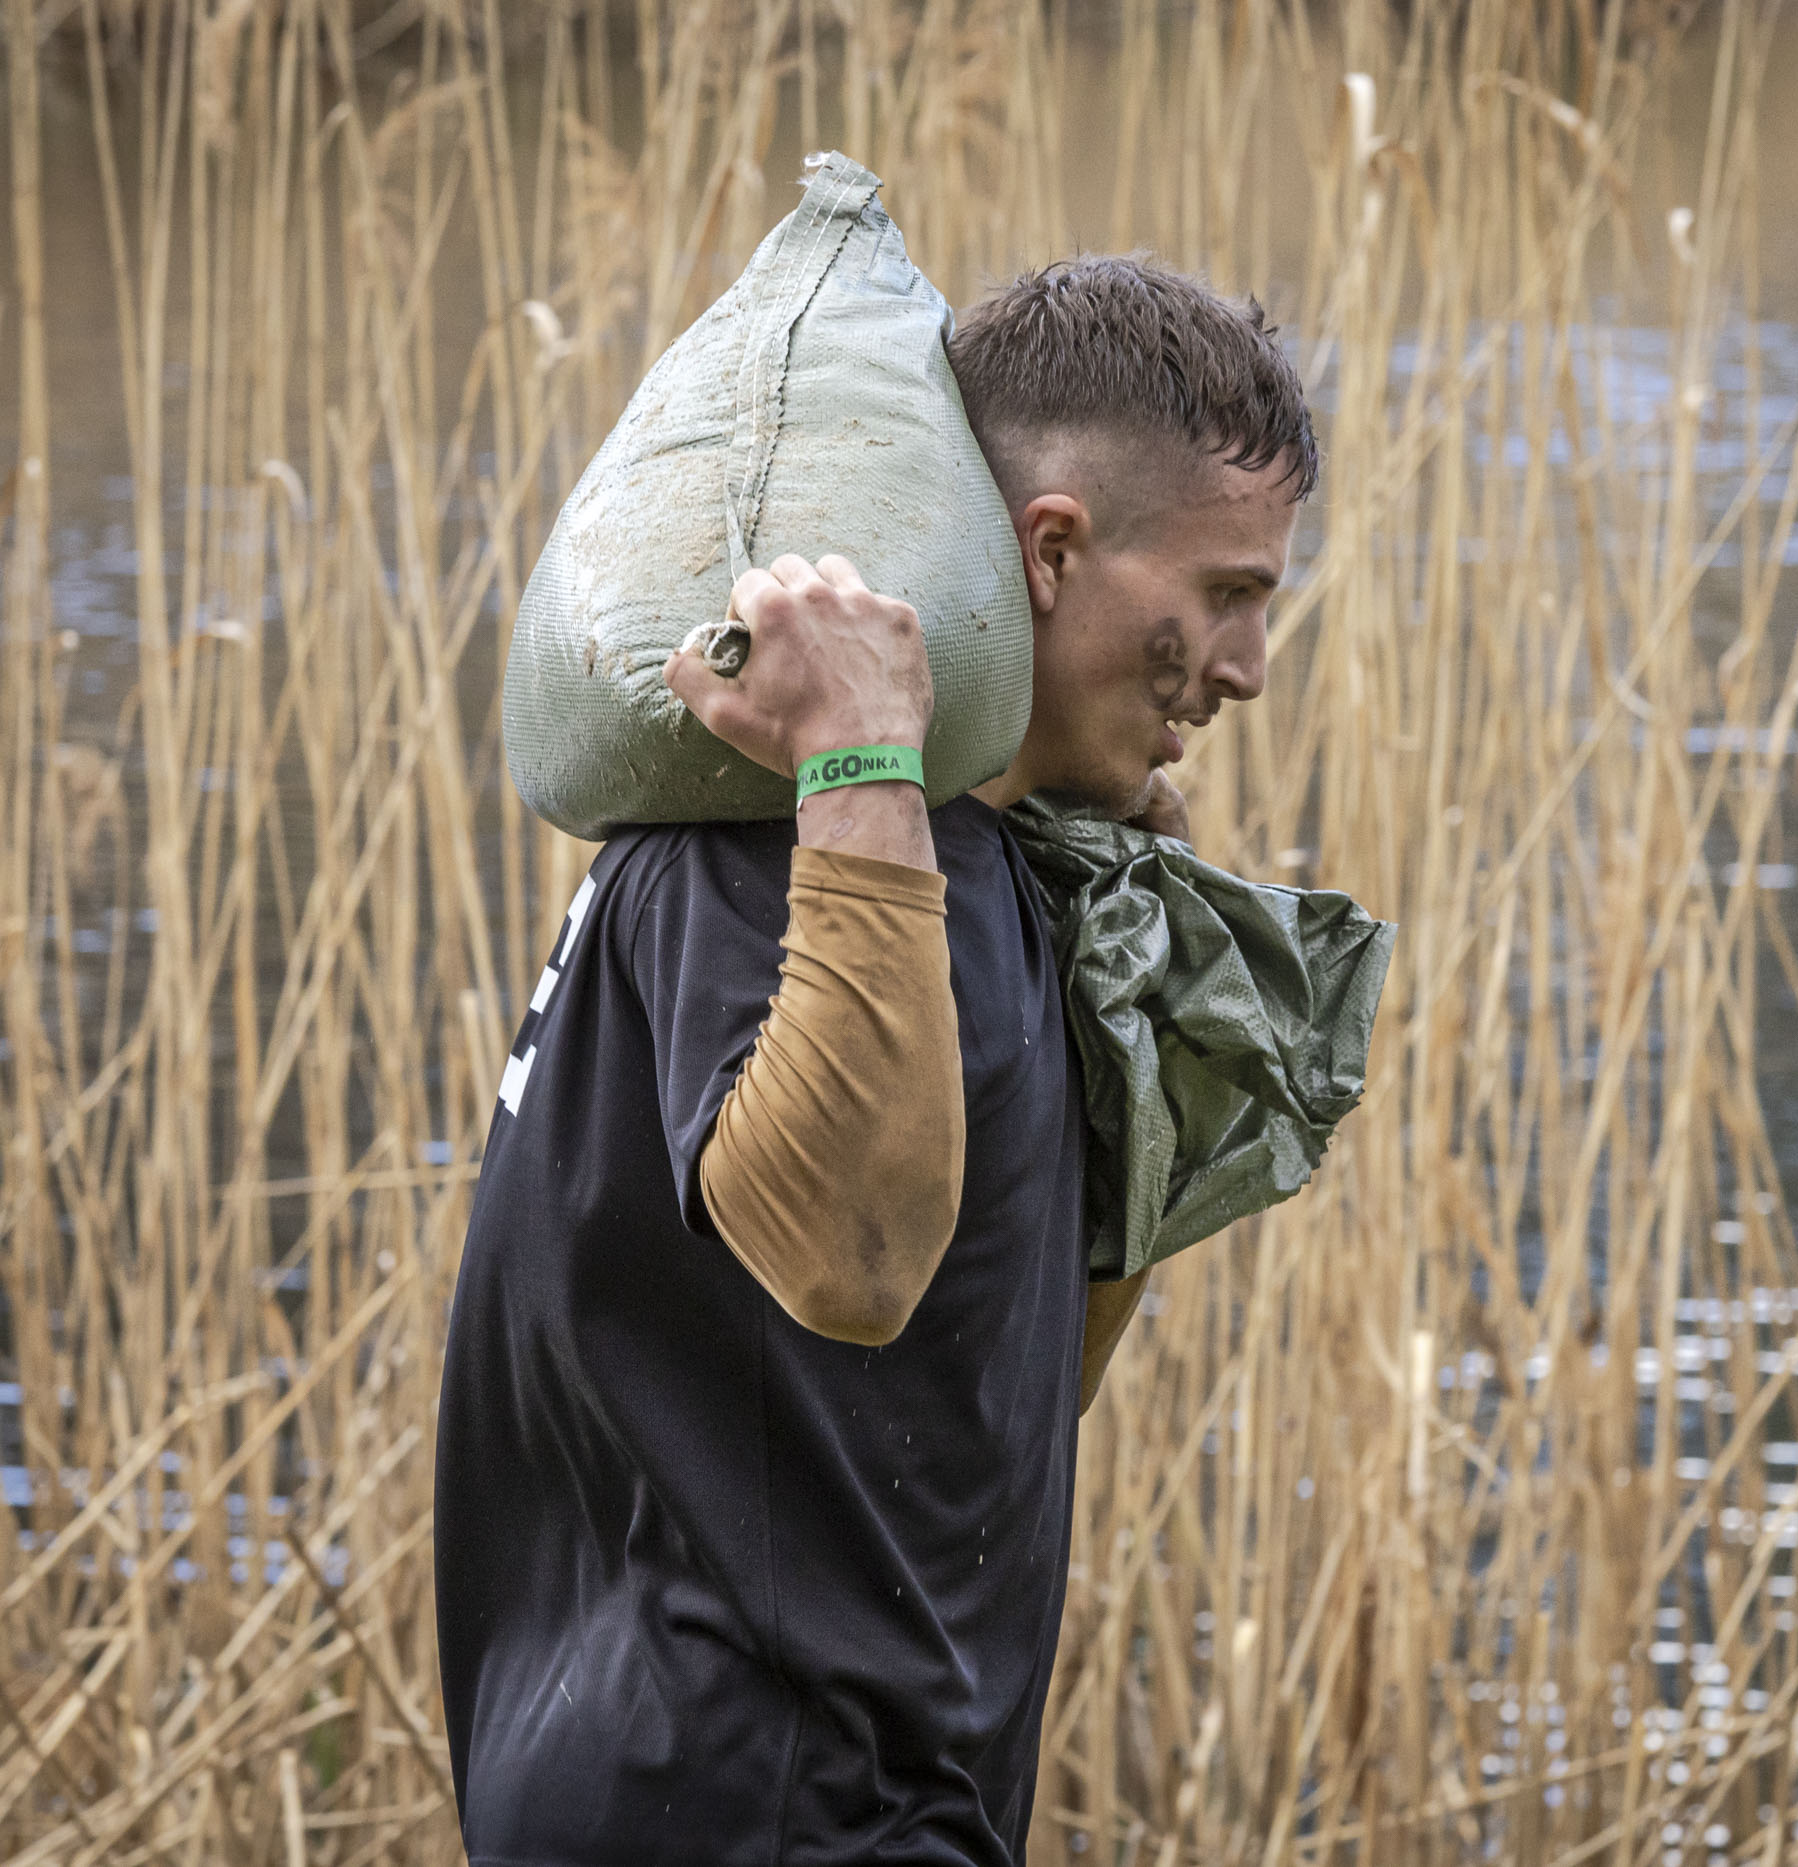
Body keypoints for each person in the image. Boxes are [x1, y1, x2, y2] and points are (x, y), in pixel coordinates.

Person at [434, 255, 1318, 1864]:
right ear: (1052, 550)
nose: (1249, 667)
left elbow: (989, 1410)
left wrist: (1137, 1004)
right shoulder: (782, 848)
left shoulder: (974, 884)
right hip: (757, 1807)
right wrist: (850, 758)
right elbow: (845, 1255)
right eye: (1229, 594)